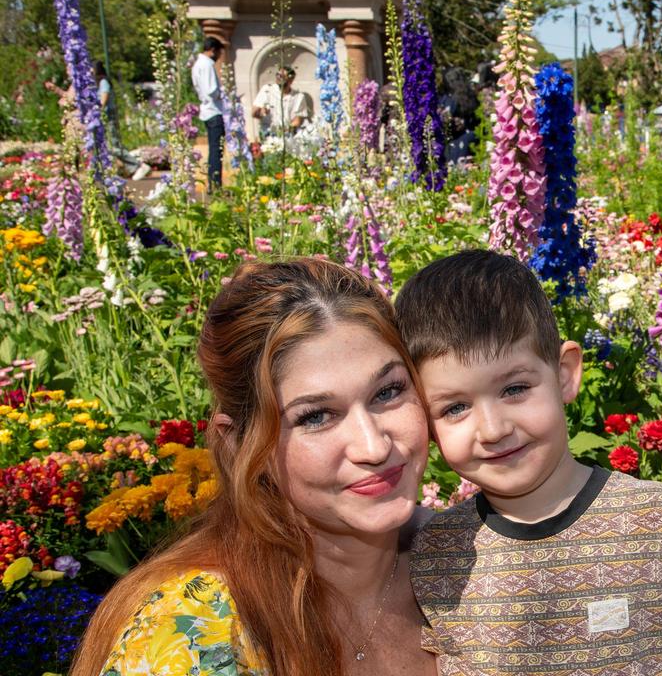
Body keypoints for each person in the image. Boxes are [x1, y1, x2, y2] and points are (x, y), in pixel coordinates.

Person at [70, 258, 436, 676]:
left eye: (388, 391)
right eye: (316, 416)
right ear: (239, 443)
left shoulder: (471, 567)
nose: (373, 446)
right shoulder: (194, 633)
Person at [397, 250, 662, 676]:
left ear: (564, 374)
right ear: (425, 423)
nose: (492, 429)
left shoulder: (658, 519)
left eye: (514, 389)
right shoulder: (434, 552)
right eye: (454, 408)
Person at [95, 61, 149, 180]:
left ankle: (138, 165)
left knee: (113, 147)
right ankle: (131, 167)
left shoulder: (103, 82)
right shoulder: (96, 83)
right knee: (107, 146)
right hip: (103, 118)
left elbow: (104, 98)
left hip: (108, 117)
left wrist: (97, 110)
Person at [191, 36, 227, 190]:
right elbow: (211, 90)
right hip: (213, 110)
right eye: (218, 52)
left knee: (214, 149)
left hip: (207, 111)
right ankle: (215, 184)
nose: (219, 56)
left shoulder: (198, 65)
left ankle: (214, 183)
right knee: (216, 150)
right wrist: (223, 94)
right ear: (213, 50)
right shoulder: (207, 65)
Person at [251, 65, 310, 139]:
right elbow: (254, 113)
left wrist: (284, 132)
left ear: (291, 80)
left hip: (289, 136)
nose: (279, 78)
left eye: (282, 76)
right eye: (277, 75)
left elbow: (298, 120)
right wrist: (261, 112)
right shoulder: (267, 90)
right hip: (268, 134)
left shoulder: (299, 96)